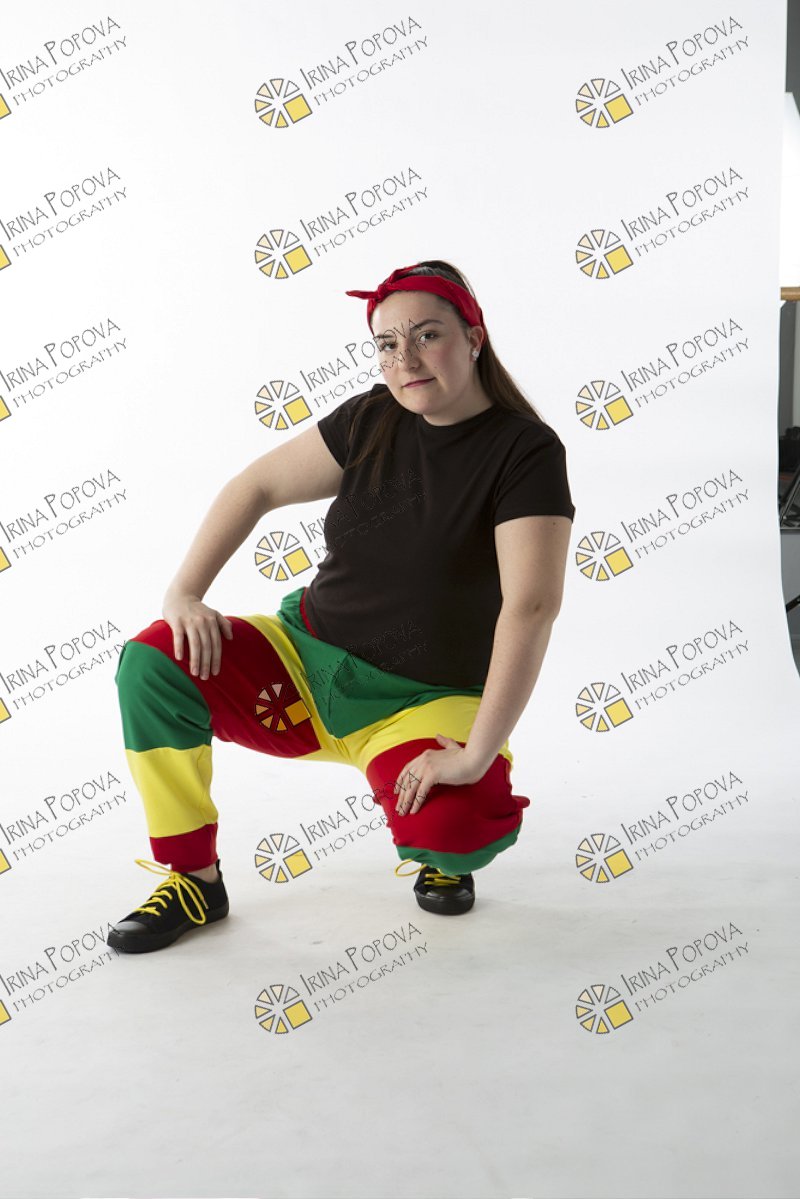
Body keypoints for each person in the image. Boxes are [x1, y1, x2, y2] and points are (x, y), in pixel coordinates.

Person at [107, 259, 575, 954]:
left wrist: (476, 754)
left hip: (427, 700)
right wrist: (184, 594)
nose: (404, 359)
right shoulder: (371, 418)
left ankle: (439, 855)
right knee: (153, 661)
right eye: (387, 342)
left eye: (427, 335)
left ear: (474, 337)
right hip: (304, 669)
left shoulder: (524, 451)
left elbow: (530, 607)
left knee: (456, 829)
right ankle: (194, 880)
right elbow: (256, 486)